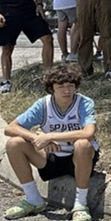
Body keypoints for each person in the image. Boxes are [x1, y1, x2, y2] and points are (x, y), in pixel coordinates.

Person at [3, 64, 99, 221]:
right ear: (51, 88)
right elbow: (11, 128)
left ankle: (80, 205)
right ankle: (33, 199)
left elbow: (88, 133)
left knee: (82, 144)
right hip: (52, 155)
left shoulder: (84, 103)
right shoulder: (43, 105)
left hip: (78, 157)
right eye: (61, 86)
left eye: (71, 86)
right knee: (14, 144)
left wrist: (50, 136)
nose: (67, 91)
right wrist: (36, 138)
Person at [0, 0, 54, 94]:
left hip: (29, 11)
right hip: (8, 12)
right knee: (7, 47)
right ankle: (6, 81)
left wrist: (39, 4)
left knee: (48, 38)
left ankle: (48, 76)